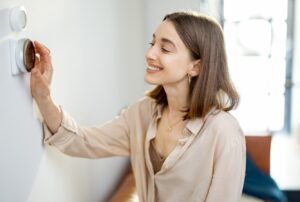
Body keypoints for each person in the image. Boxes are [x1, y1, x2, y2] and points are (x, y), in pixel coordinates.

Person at [31, 11, 246, 202]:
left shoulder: (224, 132)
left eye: (165, 48)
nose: (150, 54)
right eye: (152, 44)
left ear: (195, 66)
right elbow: (82, 141)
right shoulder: (142, 113)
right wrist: (43, 96)